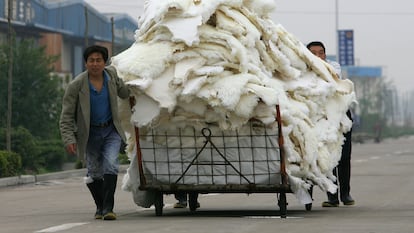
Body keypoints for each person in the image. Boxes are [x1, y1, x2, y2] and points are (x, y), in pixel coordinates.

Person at [59, 45, 130, 220]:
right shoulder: (76, 85)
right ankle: (100, 206)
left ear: (105, 62)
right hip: (89, 134)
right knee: (94, 172)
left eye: (99, 60)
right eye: (92, 60)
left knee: (111, 164)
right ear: (86, 63)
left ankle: (108, 208)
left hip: (110, 130)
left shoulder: (112, 76)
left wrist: (139, 84)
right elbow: (66, 116)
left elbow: (124, 93)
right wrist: (69, 139)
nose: (95, 64)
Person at [306, 41, 355, 207]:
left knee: (344, 156)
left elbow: (332, 80)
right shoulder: (302, 71)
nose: (318, 56)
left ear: (325, 55)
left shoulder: (333, 66)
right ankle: (332, 196)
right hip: (320, 118)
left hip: (340, 117)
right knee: (327, 157)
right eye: (313, 53)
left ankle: (346, 194)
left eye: (321, 53)